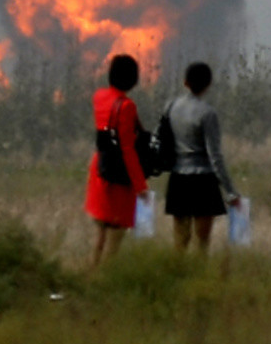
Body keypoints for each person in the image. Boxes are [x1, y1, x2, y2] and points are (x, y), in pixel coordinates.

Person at [162, 61, 242, 251]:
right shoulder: (208, 113)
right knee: (202, 242)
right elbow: (215, 156)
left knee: (180, 240)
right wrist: (230, 191)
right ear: (208, 84)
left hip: (178, 178)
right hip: (203, 181)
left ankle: (177, 275)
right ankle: (199, 276)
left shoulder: (171, 107)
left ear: (185, 82)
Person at [86, 53, 146, 268]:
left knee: (101, 229)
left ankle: (93, 272)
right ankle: (106, 276)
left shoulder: (99, 96)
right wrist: (141, 186)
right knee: (116, 231)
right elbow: (128, 149)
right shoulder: (127, 107)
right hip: (119, 172)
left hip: (100, 166)